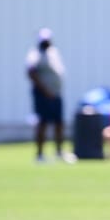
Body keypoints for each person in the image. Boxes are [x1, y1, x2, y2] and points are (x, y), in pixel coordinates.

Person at [26, 28, 76, 164]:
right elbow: (31, 73)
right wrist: (45, 90)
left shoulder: (53, 52)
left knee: (59, 123)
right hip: (43, 95)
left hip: (55, 93)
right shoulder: (35, 54)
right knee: (42, 123)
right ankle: (40, 154)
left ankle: (59, 151)